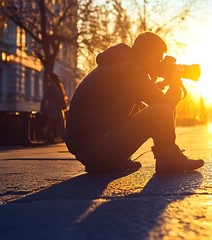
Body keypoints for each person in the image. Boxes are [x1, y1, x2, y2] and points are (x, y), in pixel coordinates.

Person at [65, 32, 204, 173]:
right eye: (159, 59)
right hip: (96, 148)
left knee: (157, 109)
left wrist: (157, 84)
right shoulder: (130, 70)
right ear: (150, 57)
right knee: (160, 110)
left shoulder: (120, 65)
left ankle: (108, 162)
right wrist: (174, 83)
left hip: (90, 149)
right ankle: (168, 158)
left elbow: (143, 112)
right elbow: (164, 109)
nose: (159, 64)